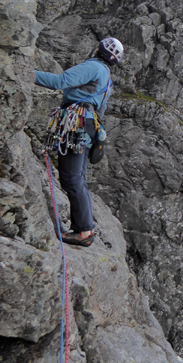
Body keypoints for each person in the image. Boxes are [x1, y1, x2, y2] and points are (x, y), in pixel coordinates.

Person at [35, 37, 123, 246]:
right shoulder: (107, 80)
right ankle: (82, 229)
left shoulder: (93, 67)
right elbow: (100, 112)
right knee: (77, 178)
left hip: (77, 124)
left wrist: (24, 73)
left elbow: (60, 82)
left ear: (97, 50)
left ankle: (84, 231)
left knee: (72, 178)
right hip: (88, 125)